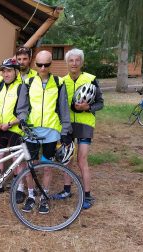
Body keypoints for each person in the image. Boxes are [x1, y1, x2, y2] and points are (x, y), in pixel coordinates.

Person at [16, 50, 72, 214]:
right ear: (35, 64)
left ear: (50, 64)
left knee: (47, 166)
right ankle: (31, 196)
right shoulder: (28, 82)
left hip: (51, 130)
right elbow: (21, 108)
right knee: (30, 166)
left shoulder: (59, 82)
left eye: (46, 65)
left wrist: (65, 130)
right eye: (39, 65)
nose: (42, 68)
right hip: (31, 131)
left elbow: (63, 109)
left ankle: (45, 197)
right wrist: (23, 119)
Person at [53, 48, 104, 209]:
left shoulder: (91, 79)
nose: (74, 63)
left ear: (81, 62)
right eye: (71, 60)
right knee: (67, 158)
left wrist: (87, 108)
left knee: (82, 159)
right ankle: (66, 190)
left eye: (77, 60)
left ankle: (87, 195)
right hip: (67, 125)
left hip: (85, 125)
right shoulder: (61, 81)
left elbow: (101, 103)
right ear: (67, 63)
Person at [0, 58, 25, 196]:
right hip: (0, 128)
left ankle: (20, 188)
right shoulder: (1, 86)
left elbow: (24, 112)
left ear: (16, 72)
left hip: (15, 129)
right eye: (4, 71)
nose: (6, 74)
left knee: (16, 161)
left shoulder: (21, 87)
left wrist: (10, 124)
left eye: (9, 71)